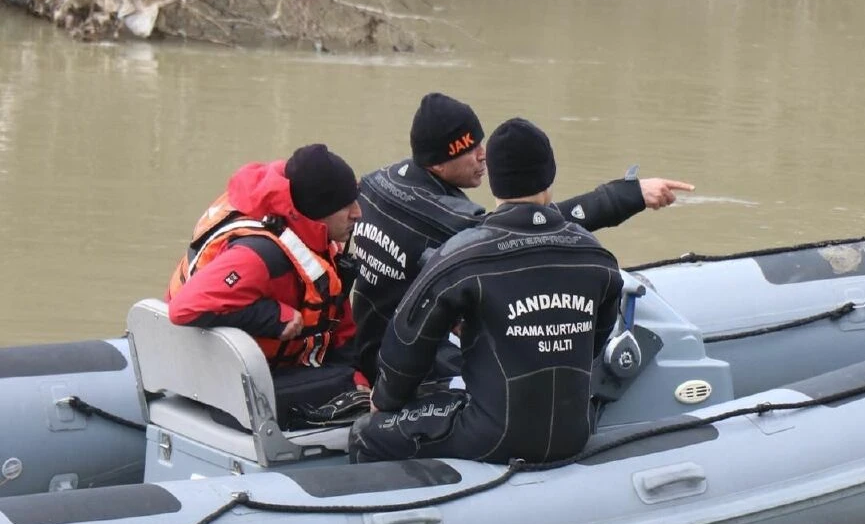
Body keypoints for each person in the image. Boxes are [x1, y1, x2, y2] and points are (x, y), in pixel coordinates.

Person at [348, 91, 693, 383]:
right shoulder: (452, 219)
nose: (483, 155)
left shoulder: (376, 181)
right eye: (469, 149)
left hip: (368, 338)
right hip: (396, 364)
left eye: (481, 142)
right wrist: (627, 195)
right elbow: (535, 225)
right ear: (438, 163)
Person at [348, 117, 624, 465]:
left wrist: (386, 401)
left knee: (366, 435)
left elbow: (407, 338)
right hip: (575, 432)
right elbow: (594, 343)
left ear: (494, 179)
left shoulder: (463, 256)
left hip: (491, 437)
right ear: (550, 174)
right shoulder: (595, 255)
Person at [166, 143, 371, 430]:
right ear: (318, 210)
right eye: (346, 205)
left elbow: (337, 318)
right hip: (223, 385)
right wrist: (273, 317)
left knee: (362, 375)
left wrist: (361, 371)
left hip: (257, 366)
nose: (358, 213)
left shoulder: (311, 238)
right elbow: (183, 309)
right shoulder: (261, 255)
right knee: (351, 387)